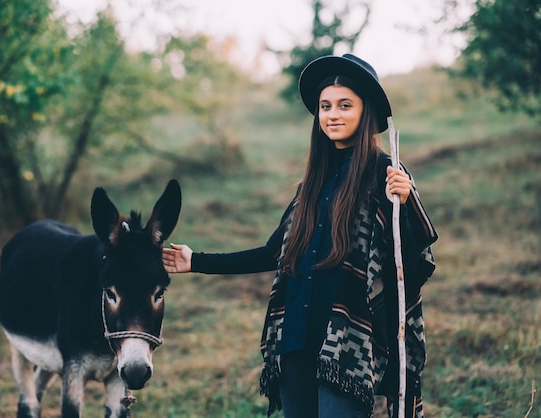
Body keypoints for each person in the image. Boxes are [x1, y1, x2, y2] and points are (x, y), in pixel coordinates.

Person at [162, 54, 437, 418]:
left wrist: (406, 200)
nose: (332, 115)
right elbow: (273, 253)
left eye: (344, 105)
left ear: (365, 111)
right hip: (294, 341)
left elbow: (412, 264)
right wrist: (196, 261)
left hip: (347, 348)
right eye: (325, 106)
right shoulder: (313, 184)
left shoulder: (386, 173)